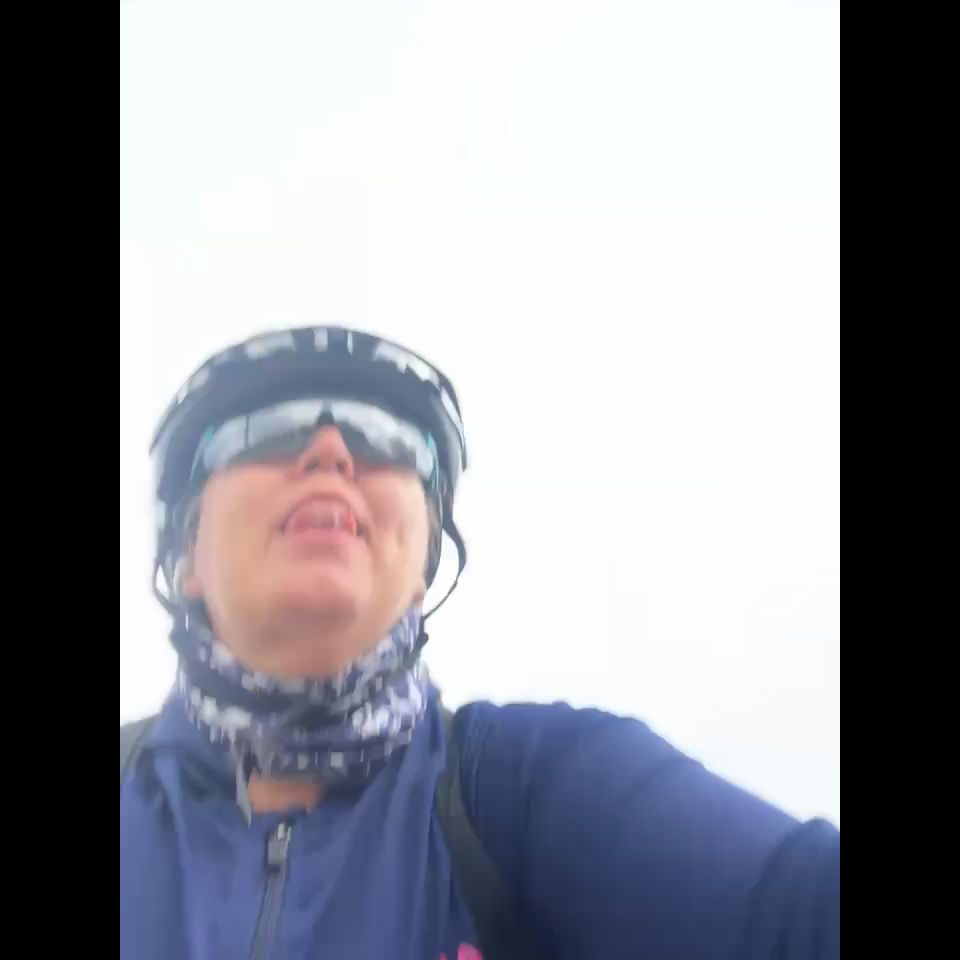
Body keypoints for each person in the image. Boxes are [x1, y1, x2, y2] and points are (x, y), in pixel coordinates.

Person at [120, 326, 840, 960]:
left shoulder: (530, 786)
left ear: (420, 573)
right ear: (185, 559)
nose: (332, 451)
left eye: (389, 439)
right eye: (266, 429)